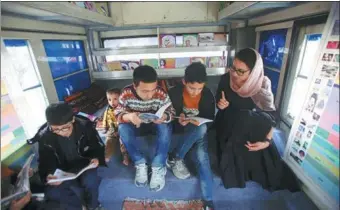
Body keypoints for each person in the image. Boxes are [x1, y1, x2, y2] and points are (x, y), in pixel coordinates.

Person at [214, 48, 300, 192]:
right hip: (228, 120)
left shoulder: (262, 85)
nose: (234, 74)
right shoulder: (226, 79)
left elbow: (272, 116)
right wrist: (220, 104)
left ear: (253, 71)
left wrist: (267, 141)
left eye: (241, 71)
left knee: (253, 123)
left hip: (248, 125)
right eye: (233, 68)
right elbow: (219, 99)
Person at [28, 102, 105, 210]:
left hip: (85, 164)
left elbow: (97, 146)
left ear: (73, 120)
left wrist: (96, 158)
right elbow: (45, 161)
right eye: (55, 129)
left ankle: (94, 206)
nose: (60, 132)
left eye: (65, 128)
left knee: (91, 181)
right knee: (54, 192)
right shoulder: (45, 137)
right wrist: (49, 174)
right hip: (62, 170)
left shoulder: (85, 126)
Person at [115, 65, 175, 192]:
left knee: (165, 126)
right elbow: (117, 114)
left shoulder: (160, 92)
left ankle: (159, 165)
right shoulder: (126, 93)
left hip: (155, 125)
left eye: (152, 90)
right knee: (122, 128)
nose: (150, 95)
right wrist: (129, 116)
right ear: (134, 85)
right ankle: (139, 162)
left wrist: (165, 116)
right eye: (145, 91)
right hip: (136, 126)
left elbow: (172, 112)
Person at [167, 62, 215, 210]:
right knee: (200, 132)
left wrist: (197, 122)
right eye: (192, 88)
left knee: (202, 155)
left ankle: (208, 202)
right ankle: (177, 156)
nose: (195, 92)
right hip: (181, 129)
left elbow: (210, 120)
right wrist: (178, 118)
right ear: (184, 82)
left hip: (199, 129)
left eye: (199, 88)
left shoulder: (207, 95)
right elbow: (168, 117)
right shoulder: (174, 93)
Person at [102, 88, 130, 165]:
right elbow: (105, 118)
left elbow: (126, 119)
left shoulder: (123, 108)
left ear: (120, 99)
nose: (112, 102)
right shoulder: (108, 109)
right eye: (109, 100)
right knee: (109, 139)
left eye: (115, 99)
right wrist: (105, 127)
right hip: (112, 128)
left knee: (123, 141)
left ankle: (125, 156)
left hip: (122, 127)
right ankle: (106, 155)